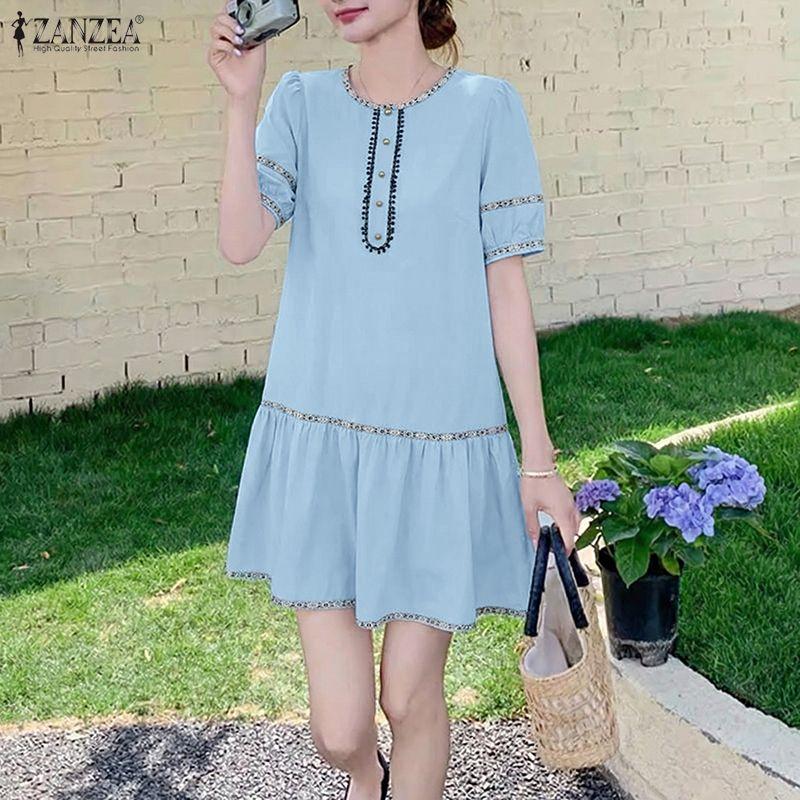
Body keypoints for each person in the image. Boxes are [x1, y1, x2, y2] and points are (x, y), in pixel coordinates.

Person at [209, 1, 581, 798]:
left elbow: (506, 290)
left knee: (409, 698)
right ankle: (366, 777)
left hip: (439, 448)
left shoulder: (487, 108)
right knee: (338, 730)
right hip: (322, 445)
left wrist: (538, 459)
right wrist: (242, 101)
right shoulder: (300, 103)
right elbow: (239, 241)